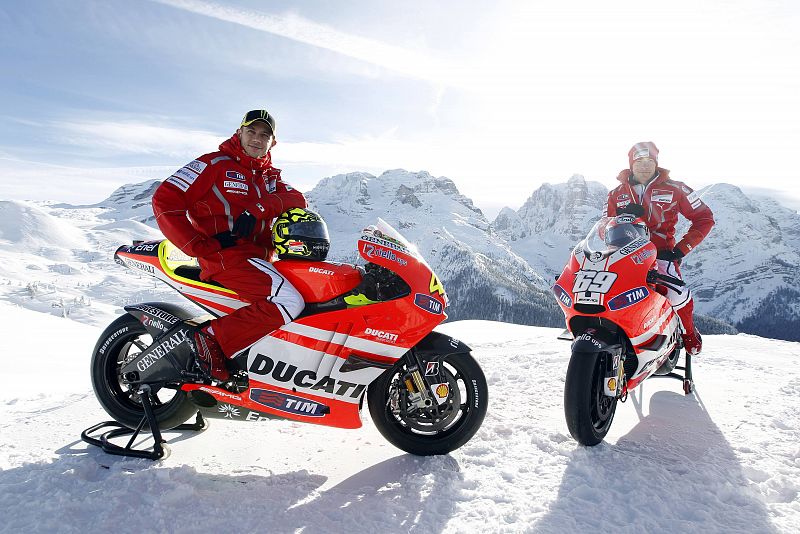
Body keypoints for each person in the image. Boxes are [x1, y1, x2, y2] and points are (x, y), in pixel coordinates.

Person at [152, 109, 307, 381]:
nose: (257, 139)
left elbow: (297, 199)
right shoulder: (213, 165)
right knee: (288, 300)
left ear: (273, 142)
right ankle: (208, 338)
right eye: (251, 131)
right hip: (225, 258)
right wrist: (198, 245)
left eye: (265, 134)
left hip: (259, 260)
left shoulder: (269, 176)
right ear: (239, 132)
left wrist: (258, 208)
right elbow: (165, 198)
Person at [606, 141, 714, 355]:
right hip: (622, 255)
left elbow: (704, 218)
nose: (644, 166)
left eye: (649, 161)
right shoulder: (616, 193)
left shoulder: (675, 188)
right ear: (631, 164)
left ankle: (689, 334)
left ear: (656, 163)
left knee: (677, 294)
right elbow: (604, 228)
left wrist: (681, 249)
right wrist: (624, 218)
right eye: (639, 162)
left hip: (661, 255)